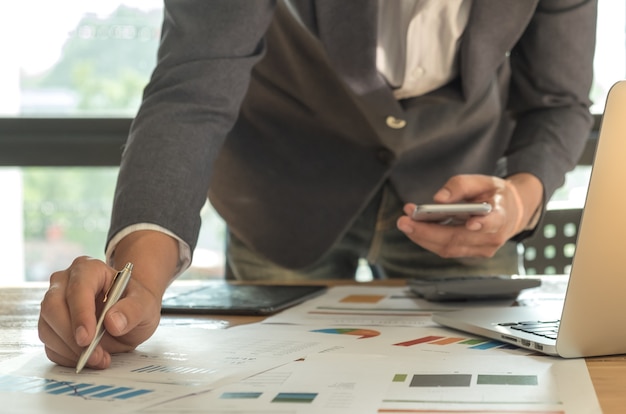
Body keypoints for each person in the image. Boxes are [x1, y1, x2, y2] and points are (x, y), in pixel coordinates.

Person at [38, 0, 597, 370]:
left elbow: (558, 101)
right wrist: (139, 279)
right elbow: (193, 90)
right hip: (285, 176)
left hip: (459, 188)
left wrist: (521, 198)